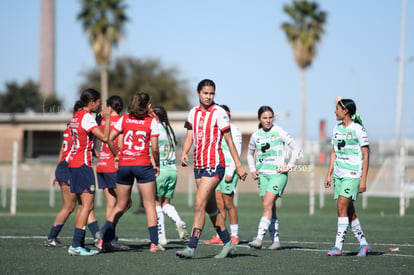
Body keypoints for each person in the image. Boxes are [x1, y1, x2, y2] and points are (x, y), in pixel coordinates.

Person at [176, 79, 247, 259]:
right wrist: (184, 152)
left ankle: (191, 247)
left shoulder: (219, 112)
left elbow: (229, 141)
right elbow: (190, 135)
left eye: (211, 93)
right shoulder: (193, 112)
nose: (208, 96)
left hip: (215, 165)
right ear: (198, 93)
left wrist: (238, 165)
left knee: (199, 203)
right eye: (205, 93)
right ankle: (228, 243)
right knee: (211, 209)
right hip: (198, 166)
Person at [99, 92, 164, 252]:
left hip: (125, 165)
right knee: (149, 205)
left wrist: (117, 155)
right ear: (147, 106)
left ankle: (104, 239)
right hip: (143, 165)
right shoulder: (151, 122)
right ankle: (154, 244)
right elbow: (154, 148)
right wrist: (157, 164)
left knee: (120, 204)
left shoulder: (124, 118)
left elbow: (109, 139)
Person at [247, 105, 300, 250]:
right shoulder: (255, 136)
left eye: (270, 117)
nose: (268, 120)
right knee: (270, 207)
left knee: (267, 204)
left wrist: (289, 165)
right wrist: (252, 169)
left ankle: (259, 238)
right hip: (263, 176)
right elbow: (249, 154)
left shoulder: (279, 131)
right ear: (259, 119)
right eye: (265, 118)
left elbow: (296, 148)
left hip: (278, 175)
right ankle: (275, 241)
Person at [324, 97, 371, 257]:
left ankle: (338, 247)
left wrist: (363, 179)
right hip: (339, 174)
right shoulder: (336, 128)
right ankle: (363, 244)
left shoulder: (358, 129)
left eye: (337, 108)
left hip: (353, 174)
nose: (334, 111)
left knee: (341, 207)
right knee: (349, 212)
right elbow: (333, 152)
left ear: (345, 111)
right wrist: (329, 174)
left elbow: (366, 154)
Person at [67, 88, 111, 256]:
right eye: (98, 103)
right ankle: (76, 245)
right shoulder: (86, 117)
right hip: (83, 166)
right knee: (87, 205)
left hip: (74, 164)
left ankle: (77, 245)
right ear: (91, 102)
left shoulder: (76, 116)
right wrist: (106, 120)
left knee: (82, 206)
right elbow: (105, 138)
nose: (100, 106)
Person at [44, 125, 100, 247]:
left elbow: (62, 151)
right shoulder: (80, 130)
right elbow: (88, 149)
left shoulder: (69, 130)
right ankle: (51, 237)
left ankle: (97, 236)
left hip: (66, 167)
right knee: (70, 206)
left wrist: (57, 170)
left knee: (86, 204)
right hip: (70, 168)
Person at [204, 104, 242, 245]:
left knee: (228, 203)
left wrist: (231, 171)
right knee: (218, 204)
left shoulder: (235, 130)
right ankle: (219, 235)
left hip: (228, 171)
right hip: (217, 169)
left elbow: (236, 151)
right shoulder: (215, 130)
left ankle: (235, 235)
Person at [150, 105, 189, 246]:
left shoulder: (155, 129)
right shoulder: (169, 130)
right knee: (166, 203)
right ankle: (178, 221)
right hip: (172, 169)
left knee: (156, 204)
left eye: (151, 114)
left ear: (156, 116)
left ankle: (161, 237)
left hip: (161, 169)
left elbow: (154, 149)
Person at [95, 95, 129, 250]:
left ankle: (107, 241)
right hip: (112, 166)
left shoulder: (103, 121)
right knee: (126, 203)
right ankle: (105, 233)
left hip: (101, 165)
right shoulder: (120, 121)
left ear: (109, 107)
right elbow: (120, 144)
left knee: (112, 204)